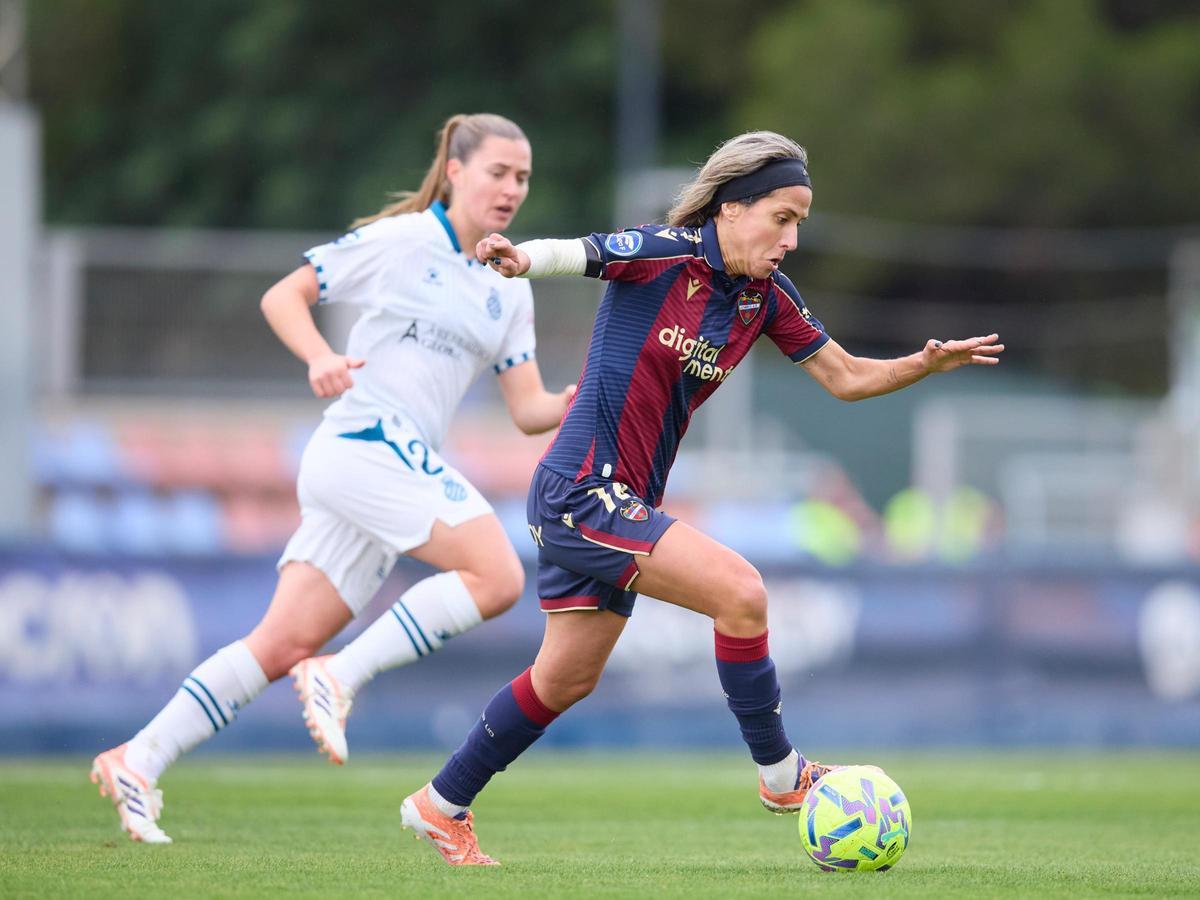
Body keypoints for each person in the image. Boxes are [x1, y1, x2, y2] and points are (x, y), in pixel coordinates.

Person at [395, 130, 1004, 866]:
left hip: (620, 500)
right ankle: (782, 777)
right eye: (782, 217)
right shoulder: (666, 251)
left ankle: (439, 805)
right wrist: (522, 257)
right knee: (741, 593)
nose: (791, 238)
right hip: (581, 490)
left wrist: (923, 364)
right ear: (731, 207)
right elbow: (582, 252)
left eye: (800, 223)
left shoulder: (765, 297)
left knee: (564, 679)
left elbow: (845, 378)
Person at [89, 113, 574, 844]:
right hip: (363, 442)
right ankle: (340, 676)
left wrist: (581, 400)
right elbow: (283, 295)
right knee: (499, 576)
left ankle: (138, 758)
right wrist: (318, 356)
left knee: (279, 644)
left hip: (379, 473)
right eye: (498, 172)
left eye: (523, 178)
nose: (512, 189)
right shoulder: (404, 240)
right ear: (455, 172)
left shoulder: (510, 285)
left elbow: (528, 409)